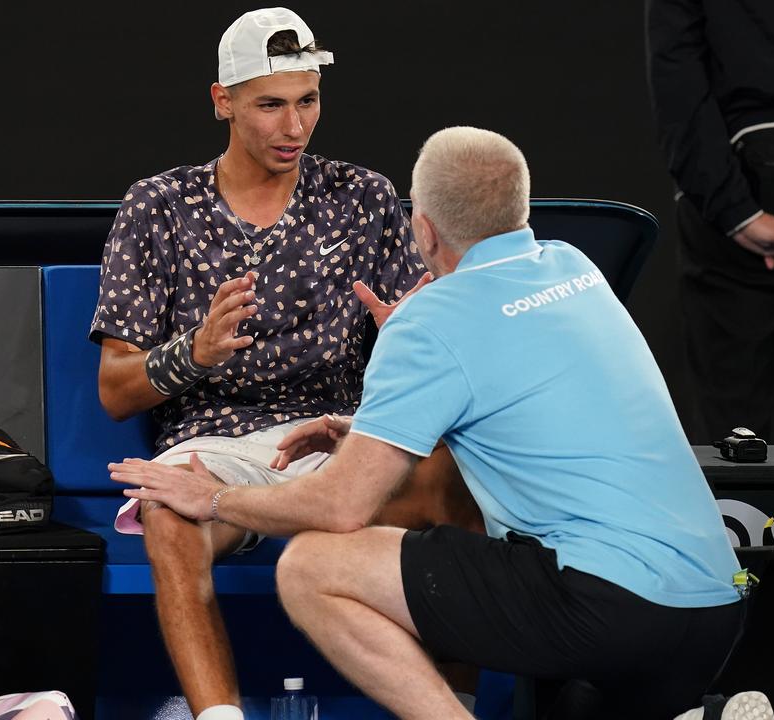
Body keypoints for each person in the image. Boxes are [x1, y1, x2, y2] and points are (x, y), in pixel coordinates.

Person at [111, 127, 771, 720]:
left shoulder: (432, 320)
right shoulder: (574, 267)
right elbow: (514, 398)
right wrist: (362, 424)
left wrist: (215, 496)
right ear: (522, 208)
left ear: (422, 230)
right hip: (716, 607)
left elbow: (343, 507)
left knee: (312, 564)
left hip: (600, 608)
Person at [89, 8, 481, 720]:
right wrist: (194, 353)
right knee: (166, 514)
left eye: (308, 102)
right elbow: (116, 391)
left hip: (340, 440)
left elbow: (434, 352)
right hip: (215, 445)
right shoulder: (157, 205)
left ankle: (454, 706)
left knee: (463, 480)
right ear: (223, 101)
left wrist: (408, 340)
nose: (294, 127)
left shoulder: (363, 197)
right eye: (271, 105)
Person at [647, 0, 774, 443]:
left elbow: (676, 80)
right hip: (728, 211)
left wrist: (741, 215)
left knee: (735, 434)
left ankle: (743, 515)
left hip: (725, 208)